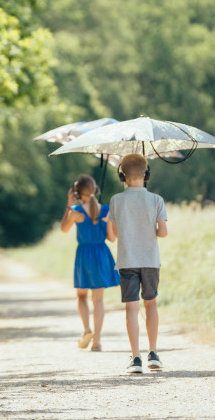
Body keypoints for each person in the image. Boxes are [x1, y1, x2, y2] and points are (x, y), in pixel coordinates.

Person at [106, 154, 168, 374]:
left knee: (132, 308)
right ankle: (153, 353)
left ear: (122, 176)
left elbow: (111, 236)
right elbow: (163, 232)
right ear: (146, 175)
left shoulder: (115, 200)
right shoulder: (156, 200)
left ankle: (136, 358)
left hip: (127, 261)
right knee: (151, 303)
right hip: (150, 260)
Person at [60, 175, 120, 352]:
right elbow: (112, 238)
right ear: (94, 190)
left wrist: (69, 204)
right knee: (98, 299)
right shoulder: (106, 210)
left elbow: (64, 229)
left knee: (81, 296)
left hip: (84, 255)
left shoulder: (75, 211)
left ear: (77, 193)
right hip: (101, 253)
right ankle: (98, 341)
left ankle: (87, 329)